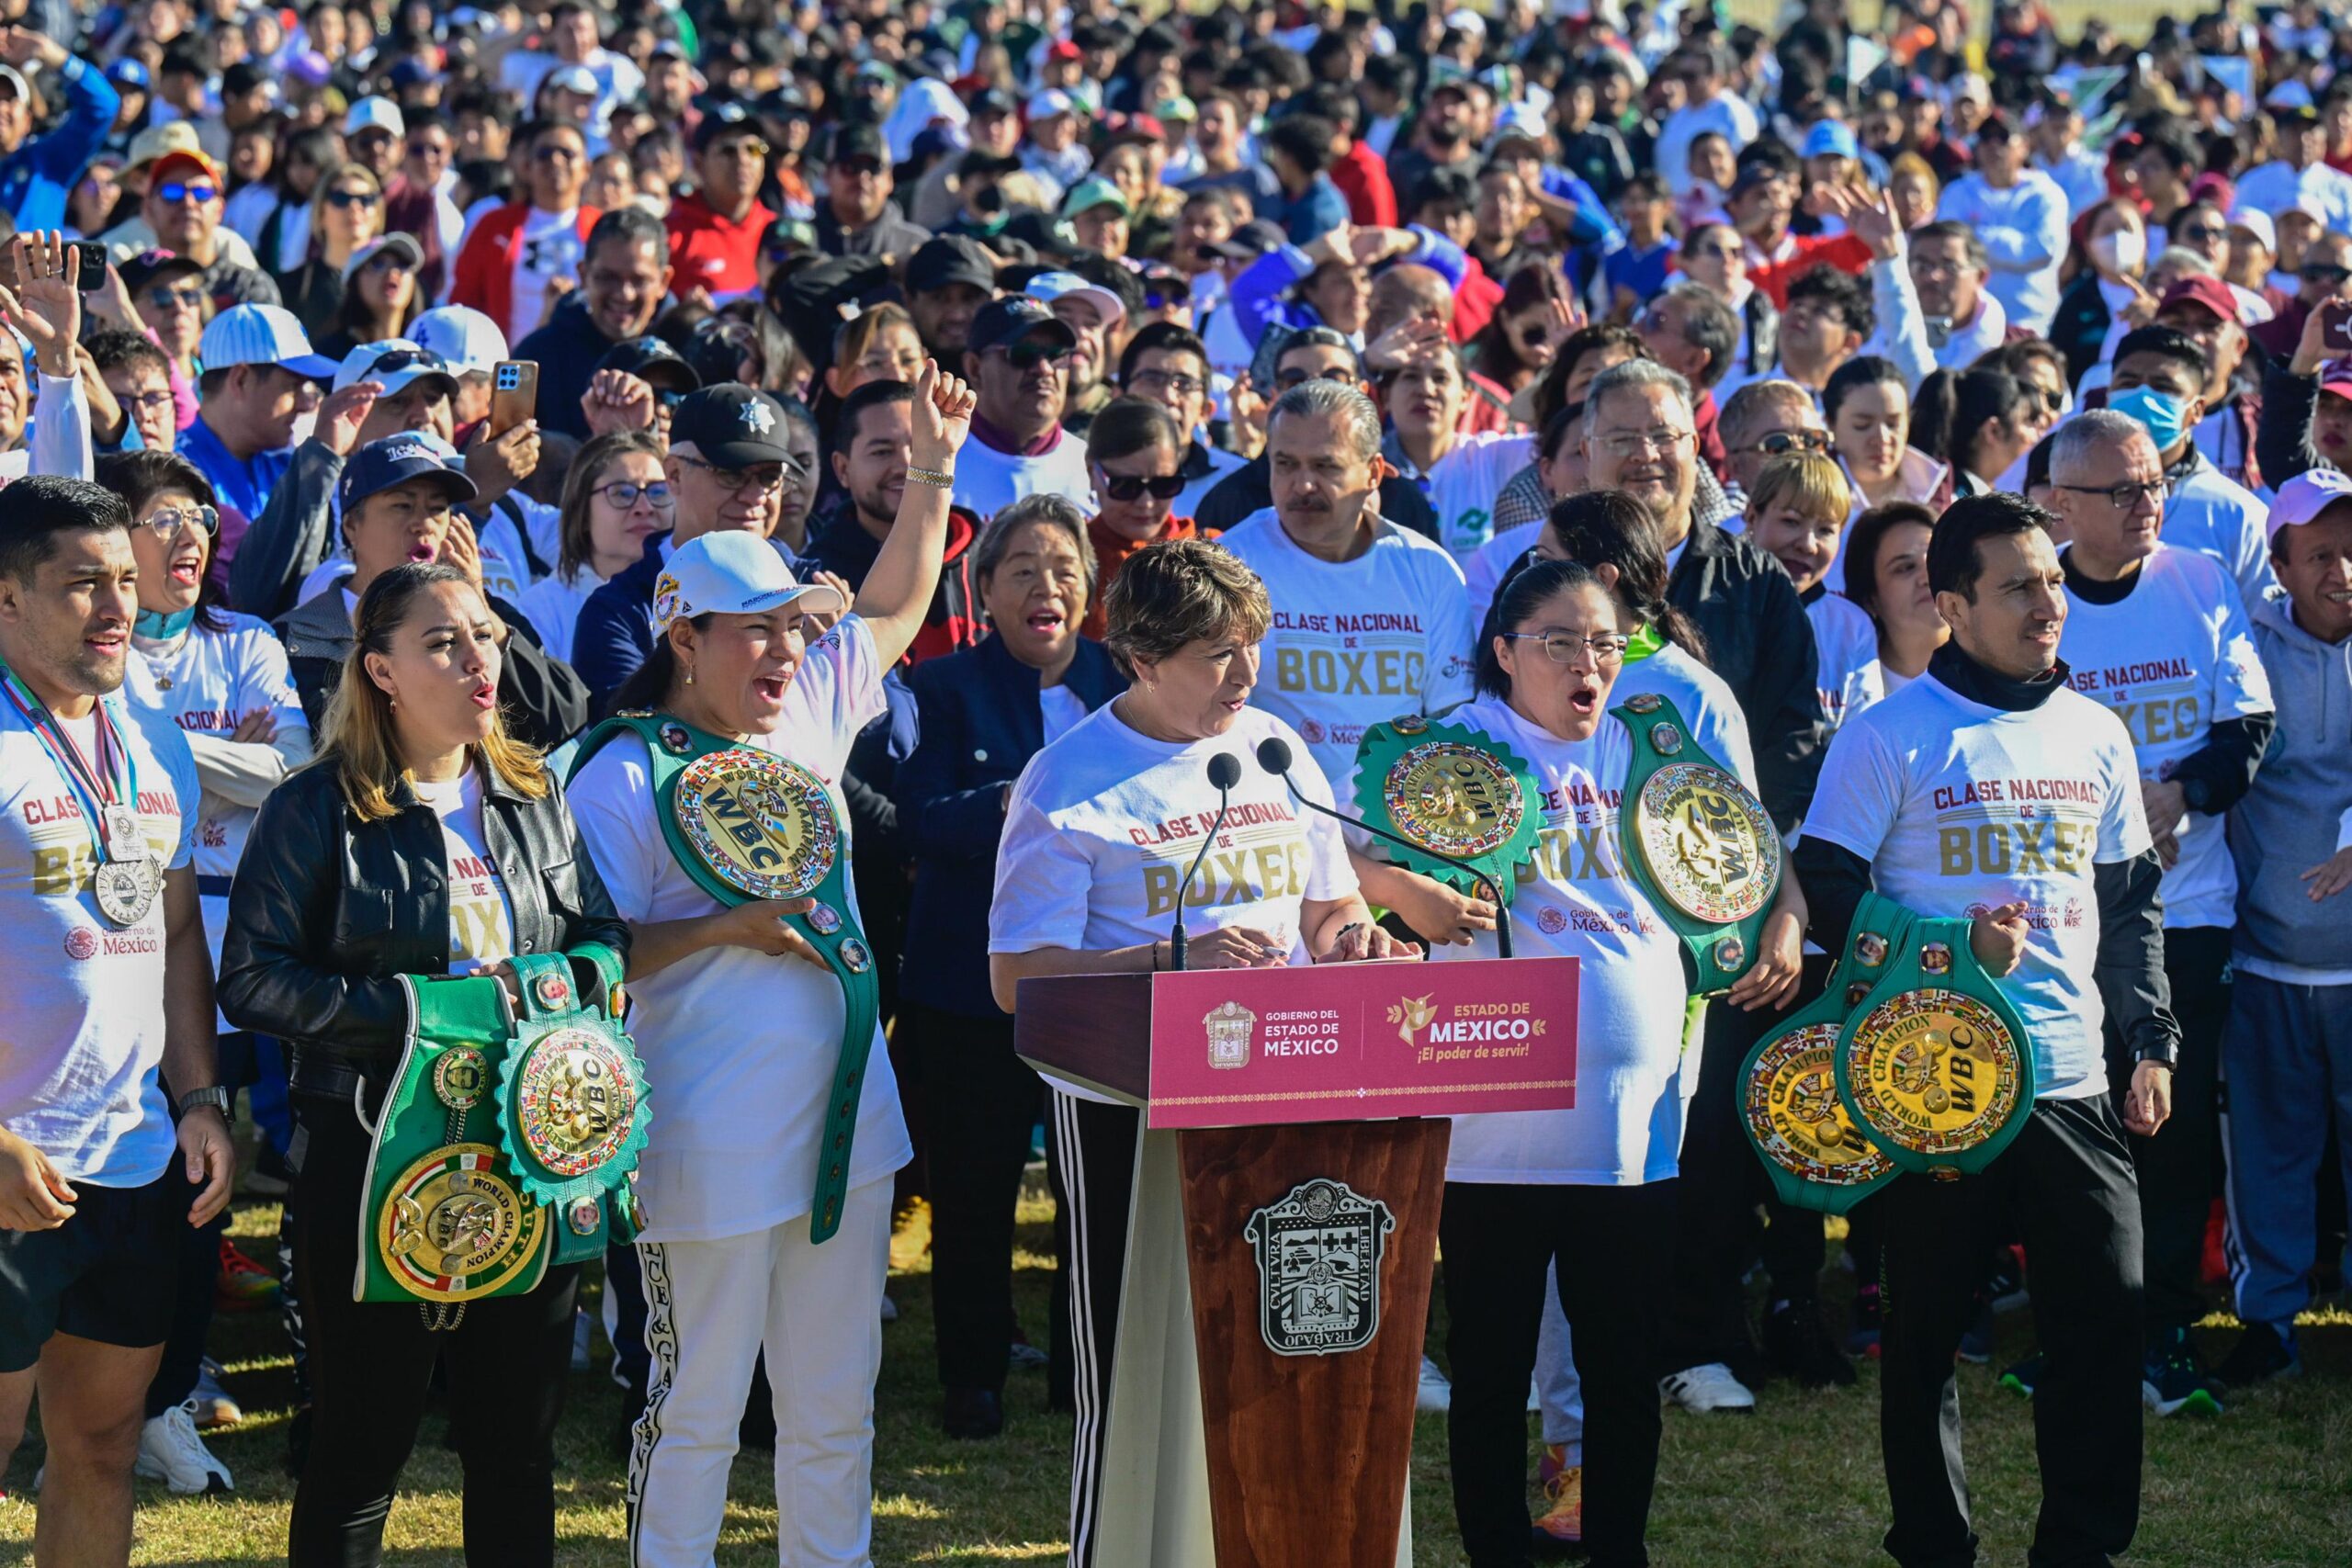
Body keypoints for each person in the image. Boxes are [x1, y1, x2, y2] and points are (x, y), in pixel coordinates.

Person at [566, 362, 973, 1568]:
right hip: (702, 1131)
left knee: (835, 1408)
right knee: (693, 1412)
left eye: (796, 624)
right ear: (683, 635)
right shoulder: (618, 770)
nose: (789, 648)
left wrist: (937, 468)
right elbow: (585, 958)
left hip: (849, 1123)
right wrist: (720, 928)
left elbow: (895, 604)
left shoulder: (807, 702)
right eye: (757, 630)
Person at [989, 536, 1415, 1568]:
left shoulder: (1271, 748)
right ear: (1139, 658)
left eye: (1251, 647)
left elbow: (1327, 902)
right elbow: (1014, 978)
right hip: (1125, 1111)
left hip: (1291, 1092)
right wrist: (1163, 961)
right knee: (1139, 1370)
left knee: (1286, 1350)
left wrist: (1352, 937)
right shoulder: (1070, 780)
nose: (1242, 674)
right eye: (1216, 654)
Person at [1795, 491, 2178, 1568]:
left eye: (2050, 582)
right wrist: (1947, 948)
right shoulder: (1889, 734)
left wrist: (2149, 1040)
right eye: (2016, 587)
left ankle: (2082, 1549)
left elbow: (2129, 906)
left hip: (2068, 1081)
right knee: (1921, 1344)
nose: (2046, 604)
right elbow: (1823, 888)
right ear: (1950, 603)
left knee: (2103, 1330)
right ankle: (1932, 1545)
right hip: (1933, 1087)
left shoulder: (2097, 732)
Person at [220, 559, 628, 1567]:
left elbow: (603, 936)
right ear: (382, 671)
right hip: (368, 1158)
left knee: (516, 1451)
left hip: (528, 1156)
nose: (477, 659)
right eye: (443, 642)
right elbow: (253, 982)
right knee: (361, 1453)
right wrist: (423, 1015)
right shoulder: (315, 807)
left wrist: (567, 983)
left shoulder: (534, 792)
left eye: (483, 634)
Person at [1429, 555, 1802, 1568]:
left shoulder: (1649, 755)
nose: (1588, 662)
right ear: (1504, 653)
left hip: (1633, 1129)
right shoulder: (1453, 752)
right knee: (1493, 1367)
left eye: (1604, 643)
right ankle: (1497, 1551)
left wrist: (1785, 919)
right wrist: (1406, 894)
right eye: (1559, 642)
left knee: (1622, 1368)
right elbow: (1350, 861)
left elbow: (1756, 856)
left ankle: (1619, 1552)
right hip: (1493, 1137)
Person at [0, 474, 232, 1566]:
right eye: (81, 583)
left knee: (96, 1445)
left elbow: (178, 935)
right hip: (10, 1158)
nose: (115, 608)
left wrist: (198, 1096)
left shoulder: (150, 744)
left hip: (133, 1157)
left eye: (125, 584)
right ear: (7, 599)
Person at [2043, 410, 2275, 1416]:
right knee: (2070, 1127)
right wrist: (2106, 829)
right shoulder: (2032, 597)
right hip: (2060, 920)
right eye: (2123, 491)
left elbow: (2247, 726)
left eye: (2155, 484)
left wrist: (2178, 796)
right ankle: (2078, 1329)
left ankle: (2166, 1325)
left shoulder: (2198, 580)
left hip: (2190, 908)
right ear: (2062, 504)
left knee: (2171, 1132)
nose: (2150, 506)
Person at [894, 495, 1125, 1439]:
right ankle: (973, 1372)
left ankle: (1089, 1372)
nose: (1047, 585)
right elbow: (920, 819)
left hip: (1102, 984)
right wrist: (1031, 798)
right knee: (977, 1189)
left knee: (1095, 1195)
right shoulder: (940, 689)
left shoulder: (1128, 684)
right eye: (1022, 567)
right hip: (968, 986)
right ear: (981, 589)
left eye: (1064, 566)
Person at [1219, 379, 1486, 945]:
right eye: (1284, 464)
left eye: (1326, 466)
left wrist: (1413, 871)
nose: (1302, 485)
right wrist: (1390, 887)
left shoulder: (1428, 571)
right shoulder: (1232, 567)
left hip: (1416, 851)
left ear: (1374, 473)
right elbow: (1212, 745)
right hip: (1272, 859)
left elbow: (1457, 735)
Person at [2214, 469, 2352, 1387]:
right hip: (2266, 958)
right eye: (2321, 555)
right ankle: (2266, 1321)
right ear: (2279, 563)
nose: (2343, 571)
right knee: (2268, 1149)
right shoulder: (2240, 644)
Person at [1578, 357, 1824, 835]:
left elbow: (1793, 736)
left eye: (1663, 436)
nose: (1645, 454)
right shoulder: (1548, 574)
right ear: (1587, 452)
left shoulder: (1757, 579)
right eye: (1622, 439)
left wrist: (1746, 845)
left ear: (1695, 447)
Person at [270, 433, 588, 750]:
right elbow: (323, 749)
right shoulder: (300, 636)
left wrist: (478, 609)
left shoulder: (491, 613)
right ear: (351, 526)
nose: (423, 524)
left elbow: (560, 719)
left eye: (437, 509)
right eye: (402, 505)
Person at [571, 383, 808, 708]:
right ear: (674, 475)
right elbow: (636, 732)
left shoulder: (814, 587)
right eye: (731, 473)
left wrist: (835, 660)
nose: (755, 497)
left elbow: (894, 737)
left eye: (770, 477)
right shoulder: (619, 610)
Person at [2104, 325, 2276, 612]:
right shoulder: (2069, 496)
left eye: (2164, 387)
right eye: (2128, 383)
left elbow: (2264, 625)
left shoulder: (2235, 512)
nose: (2143, 397)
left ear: (2196, 410)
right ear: (2108, 394)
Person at [180, 303, 336, 547]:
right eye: (293, 387)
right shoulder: (176, 471)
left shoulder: (289, 464)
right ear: (240, 380)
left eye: (309, 388)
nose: (306, 404)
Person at [1744, 451, 1880, 729]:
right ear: (1751, 517)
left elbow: (1862, 737)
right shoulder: (1717, 605)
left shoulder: (1851, 626)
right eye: (1791, 522)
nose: (1808, 544)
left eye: (1825, 530)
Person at [515, 207, 676, 443]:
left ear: (664, 281)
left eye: (639, 280)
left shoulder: (690, 349)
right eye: (607, 278)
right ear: (583, 275)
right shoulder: (537, 356)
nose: (624, 294)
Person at [518, 430, 673, 665]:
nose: (644, 507)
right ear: (581, 513)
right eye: (622, 493)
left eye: (658, 491)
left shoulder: (697, 594)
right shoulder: (538, 610)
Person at [449, 118, 601, 348]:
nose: (555, 161)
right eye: (544, 153)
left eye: (567, 153)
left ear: (587, 168)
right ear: (527, 167)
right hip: (508, 368)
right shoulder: (492, 226)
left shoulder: (603, 229)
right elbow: (464, 302)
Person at [951, 295, 1095, 521]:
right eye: (1023, 354)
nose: (1044, 369)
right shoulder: (940, 464)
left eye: (1057, 355)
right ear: (975, 368)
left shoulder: (1095, 468)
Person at [1080, 396, 1210, 637]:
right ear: (1091, 472)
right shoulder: (1071, 560)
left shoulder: (1213, 551)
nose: (1146, 502)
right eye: (1125, 486)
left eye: (1164, 484)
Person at [1934, 114, 2069, 336]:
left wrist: (1976, 236)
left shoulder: (2046, 194)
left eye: (2003, 138)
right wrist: (2013, 244)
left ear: (2024, 146)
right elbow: (1945, 250)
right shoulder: (1957, 192)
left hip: (2031, 323)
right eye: (1986, 138)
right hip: (1966, 326)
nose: (1994, 146)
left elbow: (2042, 252)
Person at [1114, 321, 1248, 516]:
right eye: (1152, 379)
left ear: (1205, 409)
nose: (1168, 396)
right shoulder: (1089, 475)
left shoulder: (1241, 484)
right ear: (1118, 398)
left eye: (1184, 384)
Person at [0, 25, 121, 231]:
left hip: (38, 264)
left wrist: (52, 55)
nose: (1, 107)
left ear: (28, 121)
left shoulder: (48, 159)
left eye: (10, 100)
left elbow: (103, 106)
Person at [1823, 355, 1951, 534]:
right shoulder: (1811, 500)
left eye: (1893, 424)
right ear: (1830, 424)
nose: (1882, 438)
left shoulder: (1942, 495)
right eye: (1863, 425)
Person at [665, 106, 775, 303]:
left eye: (753, 149)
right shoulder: (671, 235)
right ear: (698, 164)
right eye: (728, 150)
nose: (743, 160)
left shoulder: (778, 232)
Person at [1841, 502, 1948, 695]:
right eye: (1906, 568)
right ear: (1870, 598)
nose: (1928, 578)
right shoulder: (1846, 681)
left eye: (1937, 560)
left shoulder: (2002, 664)